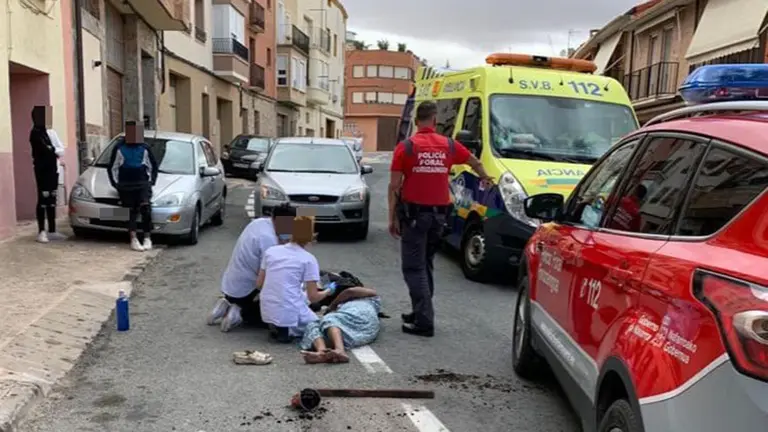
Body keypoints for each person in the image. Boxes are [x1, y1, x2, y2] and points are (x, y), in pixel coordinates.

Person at [388, 101, 493, 337]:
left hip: (414, 216)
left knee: (413, 268)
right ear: (434, 121)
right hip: (439, 216)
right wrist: (485, 178)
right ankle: (419, 311)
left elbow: (394, 185)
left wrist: (391, 217)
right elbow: (474, 161)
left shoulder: (406, 147)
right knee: (425, 264)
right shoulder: (448, 145)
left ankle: (424, 321)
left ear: (416, 122)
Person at [207, 203, 297, 332]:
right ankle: (240, 313)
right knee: (278, 310)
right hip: (246, 291)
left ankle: (225, 305)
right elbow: (269, 275)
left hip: (230, 286)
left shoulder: (259, 223)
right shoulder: (268, 240)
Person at [257, 215, 331, 343]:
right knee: (317, 325)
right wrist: (328, 291)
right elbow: (313, 297)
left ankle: (277, 326)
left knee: (295, 294)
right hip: (288, 311)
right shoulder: (308, 259)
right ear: (311, 236)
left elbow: (259, 284)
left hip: (267, 308)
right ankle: (288, 330)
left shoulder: (271, 251)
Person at [107, 121, 158, 251]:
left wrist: (151, 182)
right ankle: (133, 239)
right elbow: (112, 167)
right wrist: (116, 184)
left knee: (145, 209)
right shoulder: (119, 148)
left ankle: (147, 238)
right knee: (130, 212)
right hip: (126, 185)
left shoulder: (145, 148)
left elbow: (153, 166)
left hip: (142, 183)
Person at [299, 286, 381, 364]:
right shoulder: (343, 305)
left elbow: (350, 291)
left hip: (360, 317)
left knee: (330, 319)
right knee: (312, 324)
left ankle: (340, 350)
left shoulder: (371, 297)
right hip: (352, 328)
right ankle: (322, 353)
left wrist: (332, 306)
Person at [30, 106, 65, 243]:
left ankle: (52, 230)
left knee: (52, 198)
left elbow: (61, 151)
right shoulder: (35, 133)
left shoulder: (51, 132)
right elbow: (45, 150)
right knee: (43, 199)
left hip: (53, 169)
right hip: (42, 170)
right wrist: (53, 150)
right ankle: (41, 231)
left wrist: (54, 149)